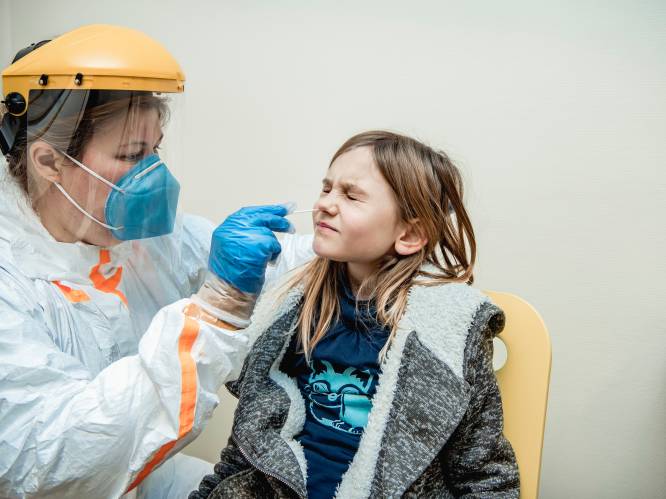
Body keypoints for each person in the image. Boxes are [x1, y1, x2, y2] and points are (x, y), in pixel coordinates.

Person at [0, 25, 313, 498]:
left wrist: (348, 241)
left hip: (150, 480)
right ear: (48, 162)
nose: (154, 173)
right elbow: (57, 460)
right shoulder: (11, 279)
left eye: (156, 150)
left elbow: (273, 269)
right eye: (131, 154)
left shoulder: (133, 236)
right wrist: (214, 313)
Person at [190, 131, 520, 498]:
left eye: (350, 195)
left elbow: (484, 477)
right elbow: (245, 452)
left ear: (410, 235)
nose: (326, 204)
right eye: (326, 188)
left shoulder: (450, 334)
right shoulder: (293, 311)